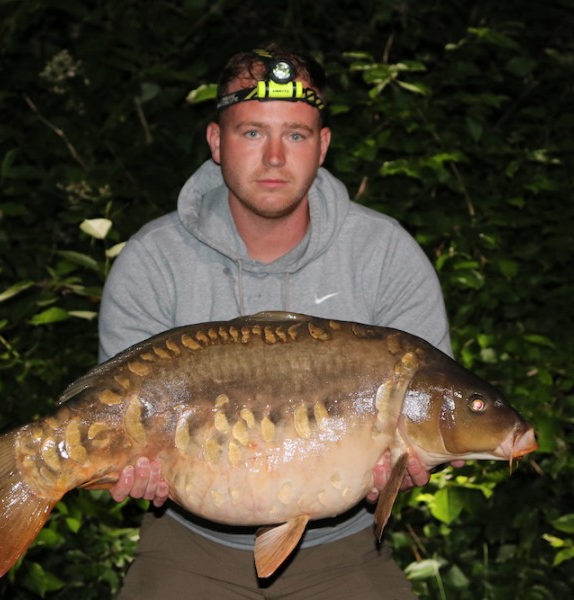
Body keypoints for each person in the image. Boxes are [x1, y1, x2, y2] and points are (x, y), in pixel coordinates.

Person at [97, 44, 453, 599]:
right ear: (216, 142)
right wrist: (128, 466)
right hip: (187, 545)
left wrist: (401, 470)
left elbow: (430, 406)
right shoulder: (153, 261)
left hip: (345, 546)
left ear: (323, 146)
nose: (274, 158)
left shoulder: (386, 255)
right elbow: (114, 414)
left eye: (295, 134)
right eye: (252, 133)